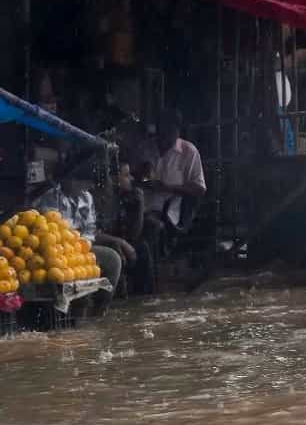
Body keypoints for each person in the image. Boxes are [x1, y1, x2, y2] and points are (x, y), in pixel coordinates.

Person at [33, 163, 127, 306]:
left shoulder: (86, 197)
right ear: (69, 180)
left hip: (81, 248)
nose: (87, 187)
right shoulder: (51, 197)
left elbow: (90, 231)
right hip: (57, 251)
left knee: (113, 259)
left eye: (88, 183)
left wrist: (83, 247)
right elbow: (51, 231)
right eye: (82, 182)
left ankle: (100, 310)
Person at [139, 109, 206, 241]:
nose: (162, 138)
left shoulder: (188, 151)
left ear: (177, 131)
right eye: (160, 133)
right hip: (142, 206)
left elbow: (200, 189)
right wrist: (144, 176)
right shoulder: (146, 147)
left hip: (169, 213)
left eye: (167, 133)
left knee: (150, 227)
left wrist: (167, 187)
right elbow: (136, 176)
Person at [113, 162, 155, 296]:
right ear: (114, 178)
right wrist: (122, 243)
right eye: (126, 175)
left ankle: (143, 298)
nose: (131, 178)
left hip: (124, 240)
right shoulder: (104, 198)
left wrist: (140, 205)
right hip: (109, 242)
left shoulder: (127, 197)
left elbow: (135, 233)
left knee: (142, 247)